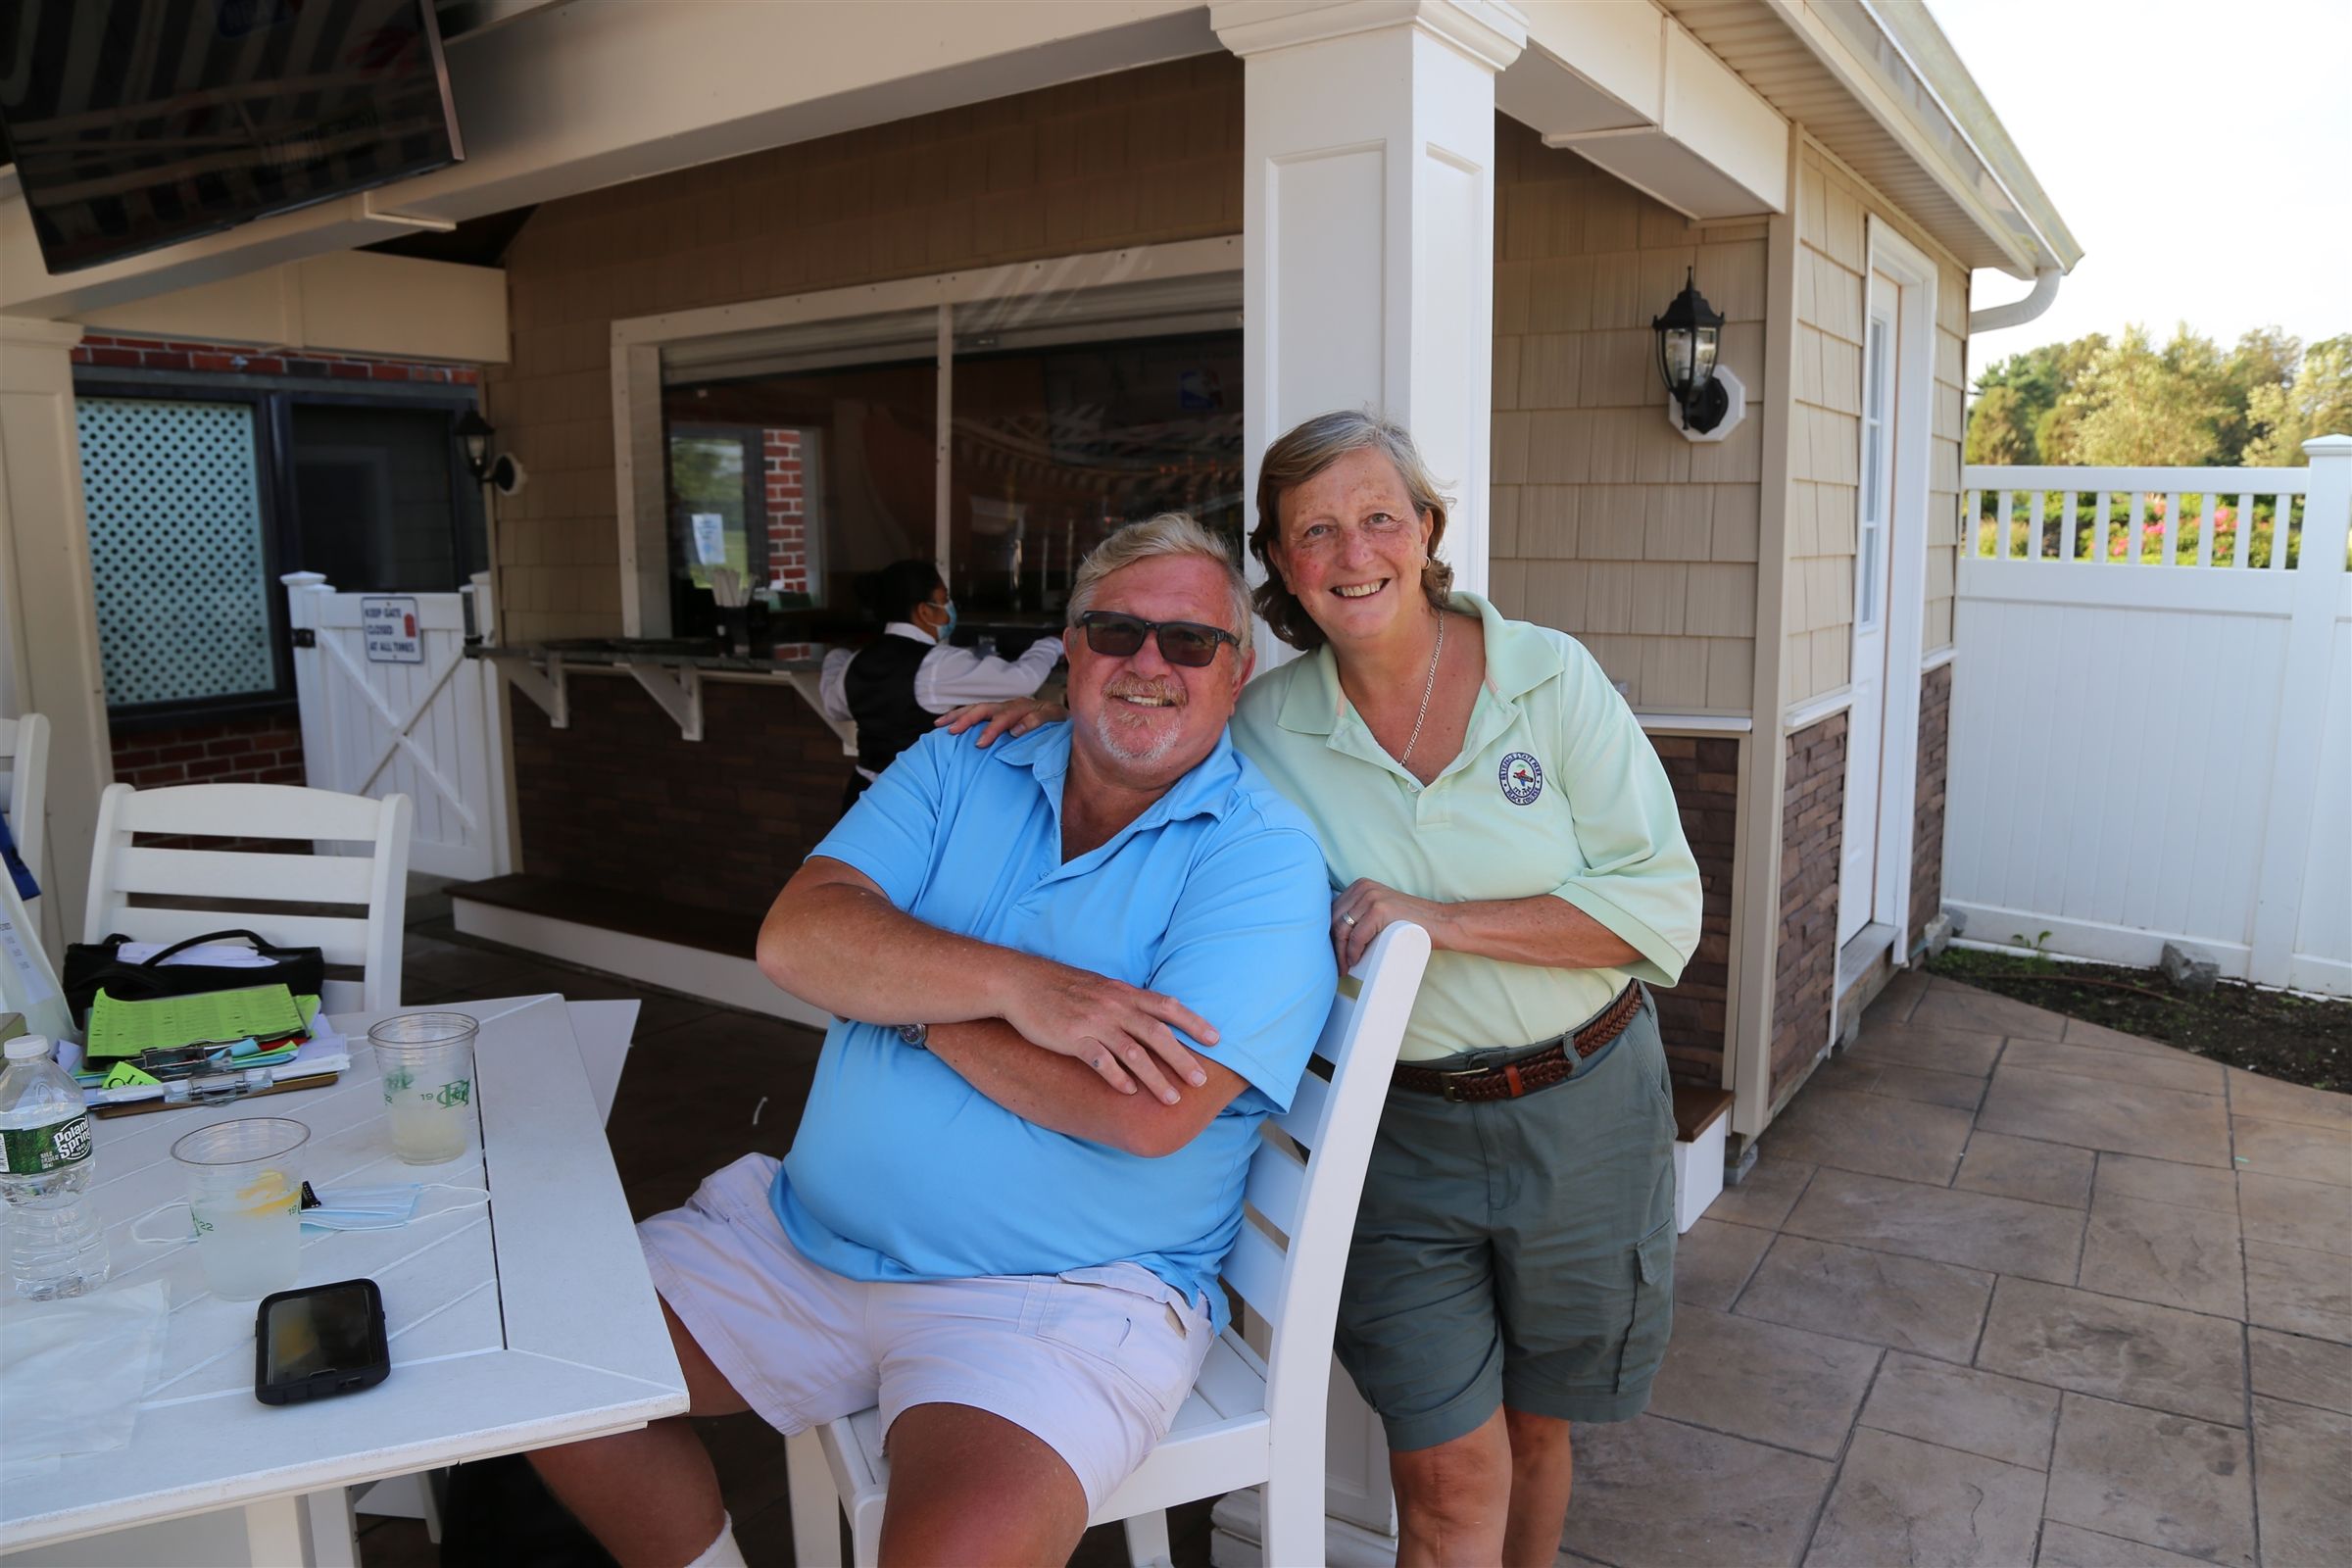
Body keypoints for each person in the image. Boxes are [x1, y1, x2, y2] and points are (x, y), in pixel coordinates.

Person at [946, 412, 1701, 1567]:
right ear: (1283, 565)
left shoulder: (1550, 678)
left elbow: (1661, 908)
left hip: (1587, 1104)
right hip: (1398, 1137)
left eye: (1379, 518)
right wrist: (1065, 705)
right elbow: (1157, 710)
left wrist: (1436, 921)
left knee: (1541, 1433)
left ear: (1427, 529)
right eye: (1316, 532)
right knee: (1448, 1464)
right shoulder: (1267, 723)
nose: (1355, 554)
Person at [527, 514, 1337, 1568]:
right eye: (1116, 632)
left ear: (1236, 673)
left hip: (1057, 1293)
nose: (1148, 663)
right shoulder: (961, 764)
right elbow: (798, 937)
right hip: (799, 1241)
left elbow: (1146, 1111)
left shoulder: (1259, 859)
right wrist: (1021, 988)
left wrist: (907, 999)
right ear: (1070, 648)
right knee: (548, 1361)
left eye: (1189, 642)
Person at [818, 558, 1063, 805]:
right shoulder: (937, 665)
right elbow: (1022, 680)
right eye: (944, 598)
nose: (949, 606)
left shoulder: (856, 662)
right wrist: (1052, 644)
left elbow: (834, 706)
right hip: (914, 799)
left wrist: (837, 654)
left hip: (862, 797)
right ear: (924, 610)